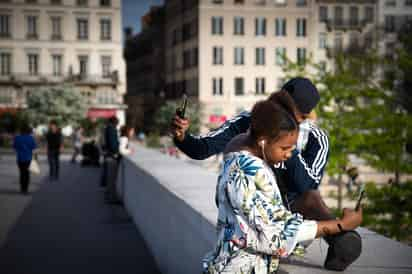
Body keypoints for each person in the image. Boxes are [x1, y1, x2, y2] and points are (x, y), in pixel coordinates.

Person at [171, 77, 361, 271]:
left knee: (311, 197)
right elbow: (204, 148)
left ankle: (341, 243)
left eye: (294, 119)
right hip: (256, 216)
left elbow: (307, 186)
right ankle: (341, 231)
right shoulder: (250, 132)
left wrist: (287, 145)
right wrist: (183, 137)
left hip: (292, 212)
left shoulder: (316, 138)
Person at [13, 123, 37, 194]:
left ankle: (22, 188)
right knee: (27, 174)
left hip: (20, 158)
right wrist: (35, 157)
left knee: (21, 173)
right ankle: (25, 189)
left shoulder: (17, 138)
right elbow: (34, 148)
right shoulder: (31, 138)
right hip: (28, 158)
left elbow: (15, 147)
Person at [101, 116, 120, 203]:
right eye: (117, 122)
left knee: (109, 178)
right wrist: (116, 152)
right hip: (112, 156)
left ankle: (108, 196)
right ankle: (111, 198)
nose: (118, 124)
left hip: (107, 155)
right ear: (115, 122)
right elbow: (113, 144)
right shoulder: (111, 130)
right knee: (112, 178)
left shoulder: (106, 129)